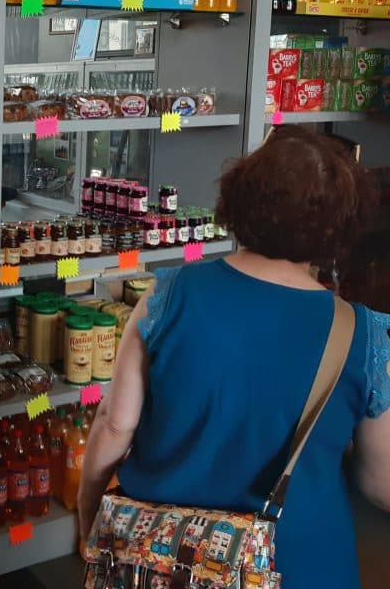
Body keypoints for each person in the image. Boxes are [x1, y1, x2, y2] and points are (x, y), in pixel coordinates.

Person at [78, 126, 390, 589]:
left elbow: (115, 425)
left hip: (166, 558)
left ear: (238, 202)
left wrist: (90, 516)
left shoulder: (168, 296)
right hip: (301, 562)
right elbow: (378, 481)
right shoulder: (364, 334)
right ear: (339, 227)